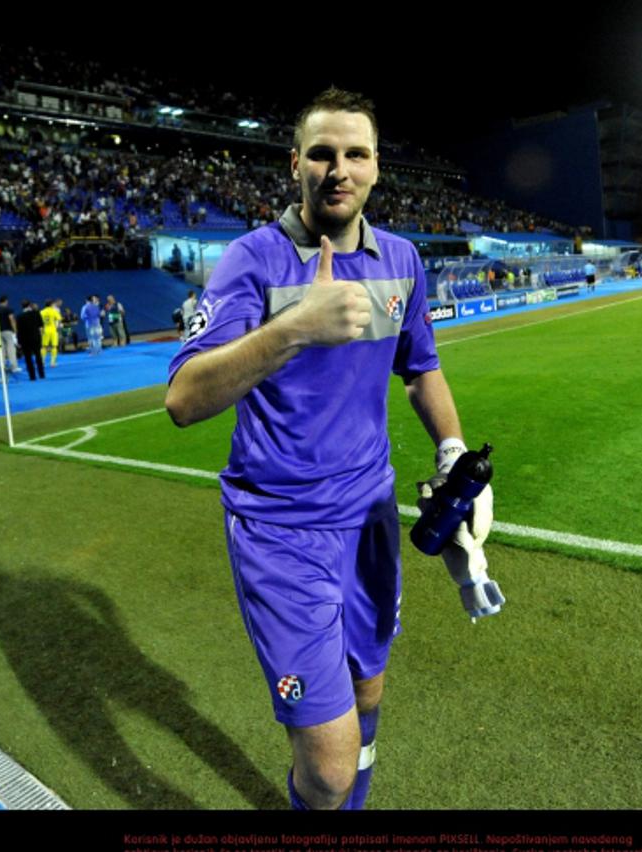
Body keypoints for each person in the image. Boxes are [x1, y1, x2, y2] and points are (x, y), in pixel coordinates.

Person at [165, 88, 493, 811]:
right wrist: (292, 329)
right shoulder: (251, 260)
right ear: (295, 165)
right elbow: (184, 399)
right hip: (281, 531)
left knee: (369, 687)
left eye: (355, 154)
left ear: (376, 168)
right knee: (330, 763)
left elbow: (422, 368)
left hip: (369, 517)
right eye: (321, 153)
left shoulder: (401, 260)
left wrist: (452, 451)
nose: (337, 168)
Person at [16, 299, 46, 379]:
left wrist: (19, 341)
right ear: (29, 305)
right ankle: (41, 374)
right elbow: (41, 326)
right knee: (38, 356)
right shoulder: (36, 313)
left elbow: (18, 330)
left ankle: (32, 376)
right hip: (35, 337)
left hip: (25, 339)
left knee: (28, 358)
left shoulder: (19, 316)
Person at [0, 295, 20, 373]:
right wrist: (15, 330)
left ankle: (2, 367)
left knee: (2, 350)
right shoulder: (8, 309)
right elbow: (11, 319)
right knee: (11, 349)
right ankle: (14, 366)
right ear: (5, 301)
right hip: (7, 330)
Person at [40, 298, 62, 368]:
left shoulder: (41, 312)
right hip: (53, 330)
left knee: (44, 346)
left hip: (45, 331)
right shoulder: (54, 311)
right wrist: (57, 326)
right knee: (54, 346)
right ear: (51, 304)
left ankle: (42, 362)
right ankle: (52, 363)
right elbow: (59, 319)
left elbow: (39, 322)